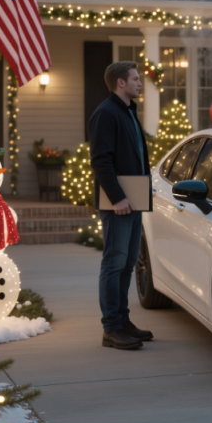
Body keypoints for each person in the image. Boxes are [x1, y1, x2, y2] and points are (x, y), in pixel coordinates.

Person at [88, 61, 154, 351]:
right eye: (135, 79)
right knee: (113, 264)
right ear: (121, 83)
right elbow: (100, 160)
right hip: (119, 204)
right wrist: (117, 198)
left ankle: (123, 321)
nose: (140, 83)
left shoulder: (127, 112)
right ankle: (111, 328)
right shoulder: (106, 113)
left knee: (127, 264)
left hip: (134, 199)